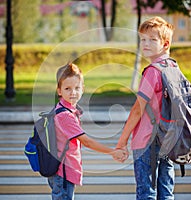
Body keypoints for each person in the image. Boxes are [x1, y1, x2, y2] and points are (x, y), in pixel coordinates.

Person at [115, 16, 175, 200]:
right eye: (143, 39)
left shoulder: (152, 72)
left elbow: (137, 110)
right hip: (169, 138)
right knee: (166, 190)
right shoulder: (173, 67)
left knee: (146, 192)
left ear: (165, 44)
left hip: (146, 140)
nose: (146, 44)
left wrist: (122, 141)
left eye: (152, 40)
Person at [49, 62, 127, 200]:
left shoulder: (66, 109)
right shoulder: (64, 116)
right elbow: (87, 142)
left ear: (82, 89)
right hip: (63, 172)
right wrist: (112, 152)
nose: (73, 92)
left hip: (62, 170)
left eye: (77, 88)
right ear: (59, 90)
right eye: (67, 88)